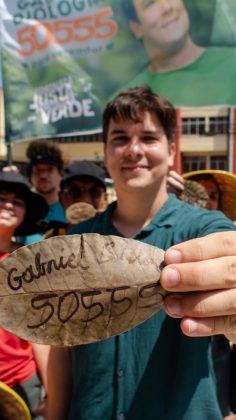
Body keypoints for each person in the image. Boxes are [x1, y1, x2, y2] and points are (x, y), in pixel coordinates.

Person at [47, 85, 236, 420]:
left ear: (171, 149)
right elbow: (63, 348)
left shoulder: (206, 230)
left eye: (148, 138)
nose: (133, 150)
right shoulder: (76, 242)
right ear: (105, 152)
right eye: (119, 138)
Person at [119, 0, 236, 106]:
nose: (167, 7)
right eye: (150, 3)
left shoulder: (232, 62)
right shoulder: (124, 103)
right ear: (137, 28)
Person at [0, 171, 49, 418]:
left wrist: (52, 394)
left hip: (21, 381)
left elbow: (40, 331)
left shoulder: (30, 265)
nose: (8, 204)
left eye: (17, 201)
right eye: (2, 197)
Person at [20, 139, 67, 244]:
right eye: (38, 170)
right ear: (30, 174)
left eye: (49, 169)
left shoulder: (70, 211)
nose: (43, 176)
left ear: (61, 172)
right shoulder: (20, 210)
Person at [45, 159, 108, 236]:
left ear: (105, 199)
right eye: (74, 192)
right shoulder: (50, 238)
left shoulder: (118, 238)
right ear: (61, 198)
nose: (84, 199)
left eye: (94, 192)